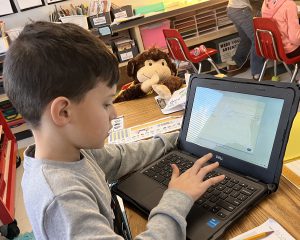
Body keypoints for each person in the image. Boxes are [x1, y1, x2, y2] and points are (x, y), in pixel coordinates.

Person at [3, 21, 225, 239]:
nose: (114, 114)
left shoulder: (70, 152)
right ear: (63, 112)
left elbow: (120, 157)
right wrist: (178, 197)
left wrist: (179, 138)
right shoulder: (63, 199)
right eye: (106, 104)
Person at [227, 0, 264, 80]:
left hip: (233, 9)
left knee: (246, 38)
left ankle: (237, 63)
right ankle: (257, 73)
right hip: (240, 10)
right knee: (257, 39)